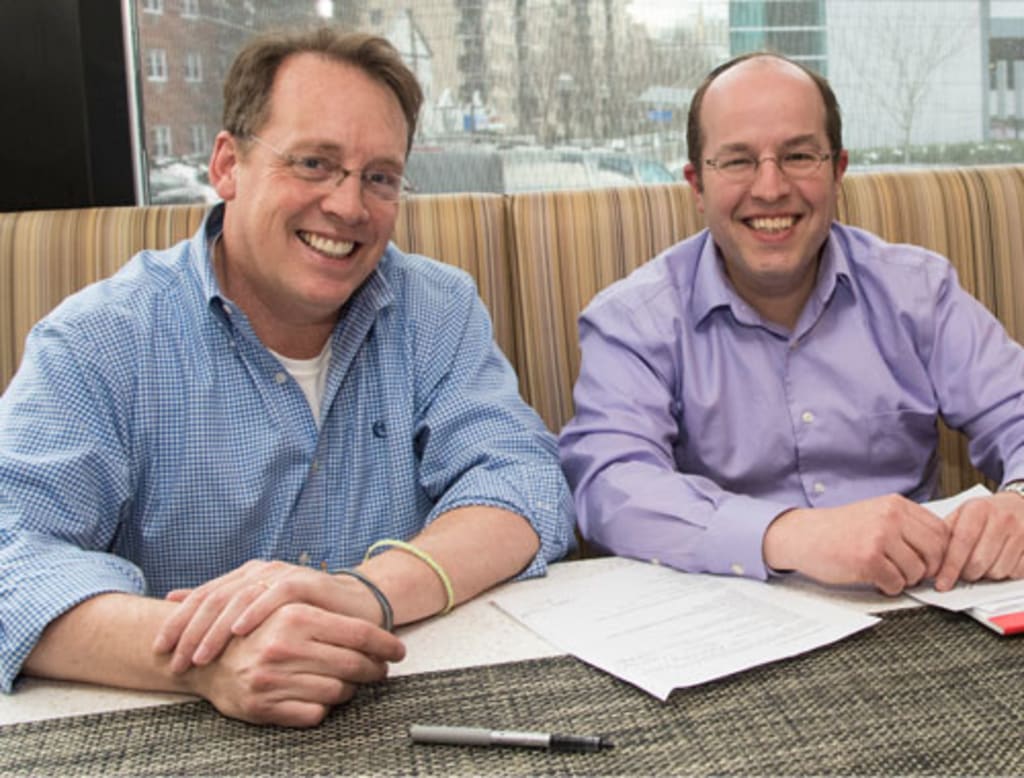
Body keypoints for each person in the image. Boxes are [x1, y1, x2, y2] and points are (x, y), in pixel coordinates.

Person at [0, 27, 574, 727]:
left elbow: (524, 482)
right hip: (171, 727)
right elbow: (11, 557)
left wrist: (366, 593)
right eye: (313, 163)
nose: (349, 206)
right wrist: (204, 659)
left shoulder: (437, 308)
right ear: (227, 165)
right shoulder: (99, 339)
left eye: (379, 177)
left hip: (408, 708)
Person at [560, 52, 1024, 598]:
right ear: (696, 184)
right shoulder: (633, 322)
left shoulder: (918, 292)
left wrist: (1019, 503)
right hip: (727, 612)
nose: (770, 188)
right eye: (737, 161)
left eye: (799, 156)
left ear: (838, 171)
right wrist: (790, 535)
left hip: (917, 603)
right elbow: (610, 486)